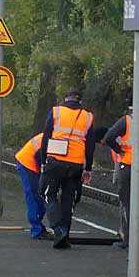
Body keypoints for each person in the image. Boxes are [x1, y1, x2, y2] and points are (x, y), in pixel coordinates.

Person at [38, 88, 100, 250]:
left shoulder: (56, 112)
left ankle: (58, 229)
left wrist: (43, 161)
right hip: (76, 164)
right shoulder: (87, 117)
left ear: (66, 98)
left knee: (47, 193)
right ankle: (65, 235)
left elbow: (46, 138)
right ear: (80, 101)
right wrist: (88, 168)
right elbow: (90, 146)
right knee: (69, 199)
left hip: (55, 161)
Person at [102, 101, 139, 250]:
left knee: (127, 202)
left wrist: (120, 151)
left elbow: (109, 137)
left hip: (129, 164)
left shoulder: (127, 121)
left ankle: (128, 239)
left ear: (131, 108)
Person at [14, 132, 48, 240]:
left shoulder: (57, 134)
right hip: (27, 163)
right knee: (34, 196)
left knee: (38, 196)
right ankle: (36, 229)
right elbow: (38, 156)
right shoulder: (55, 138)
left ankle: (37, 226)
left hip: (30, 160)